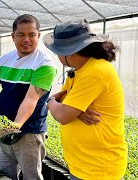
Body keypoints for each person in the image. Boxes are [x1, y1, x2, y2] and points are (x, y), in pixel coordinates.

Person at [0, 14, 56, 180]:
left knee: (31, 176)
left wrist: (16, 125)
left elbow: (31, 99)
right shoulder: (4, 60)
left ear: (38, 36)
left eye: (31, 34)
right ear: (13, 36)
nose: (26, 39)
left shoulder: (44, 64)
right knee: (6, 173)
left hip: (29, 132)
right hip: (2, 130)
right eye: (21, 35)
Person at [43, 19, 127, 179]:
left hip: (99, 169)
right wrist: (74, 110)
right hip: (83, 164)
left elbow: (62, 114)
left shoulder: (95, 72)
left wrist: (50, 102)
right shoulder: (79, 70)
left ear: (70, 52)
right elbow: (62, 101)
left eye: (57, 52)